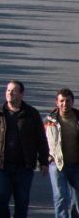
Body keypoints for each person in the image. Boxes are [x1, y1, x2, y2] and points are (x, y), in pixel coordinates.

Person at [0, 80, 50, 217]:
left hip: (24, 166)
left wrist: (43, 162)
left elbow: (41, 139)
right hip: (1, 165)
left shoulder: (32, 114)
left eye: (13, 91)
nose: (9, 93)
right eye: (8, 90)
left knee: (22, 201)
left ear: (22, 94)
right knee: (0, 198)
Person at [45, 88, 79, 218]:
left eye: (68, 101)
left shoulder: (77, 118)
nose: (65, 104)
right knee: (60, 197)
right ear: (57, 102)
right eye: (61, 101)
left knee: (77, 201)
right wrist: (45, 159)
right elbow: (39, 140)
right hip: (57, 164)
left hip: (76, 164)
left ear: (73, 102)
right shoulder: (49, 121)